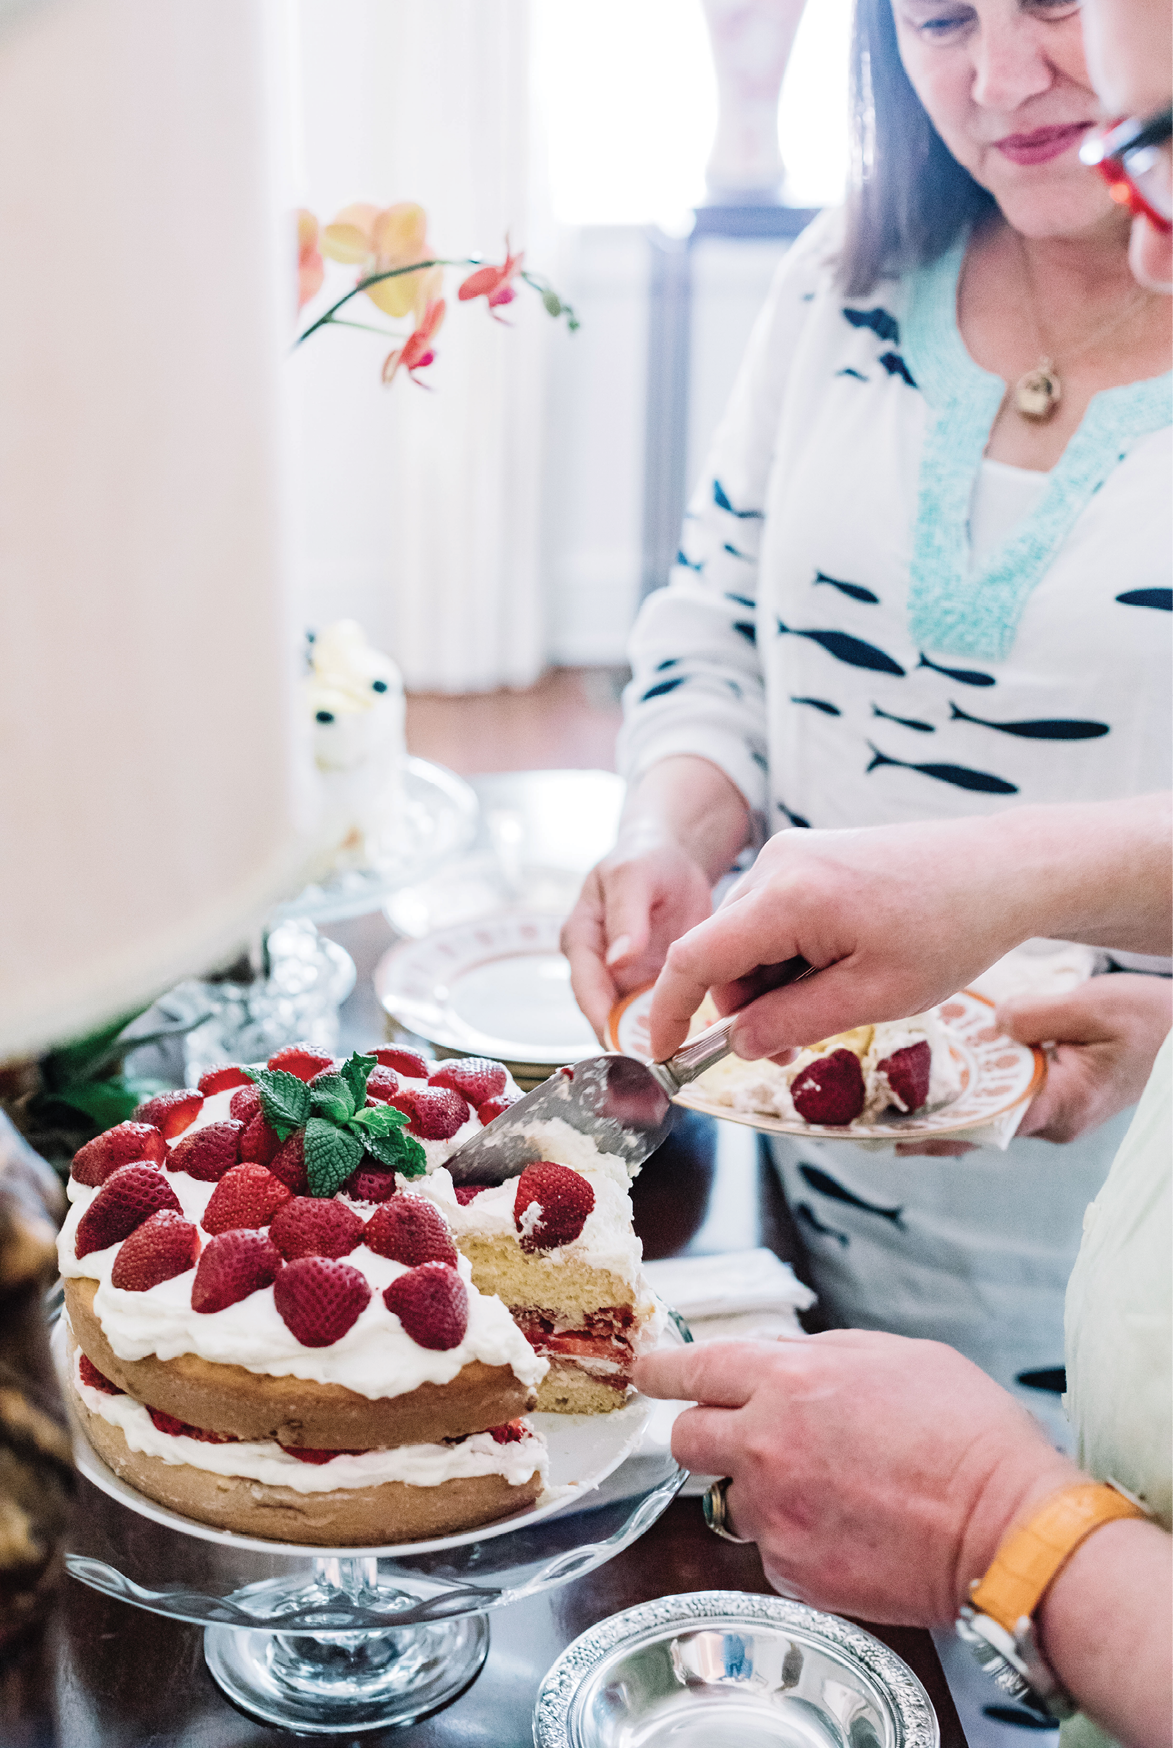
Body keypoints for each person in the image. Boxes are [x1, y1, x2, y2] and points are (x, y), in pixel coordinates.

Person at [564, 0, 1173, 1429]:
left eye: (1055, 2)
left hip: (1127, 1248)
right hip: (808, 1201)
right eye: (942, 17)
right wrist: (672, 823)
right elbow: (711, 621)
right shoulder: (841, 274)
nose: (1000, 77)